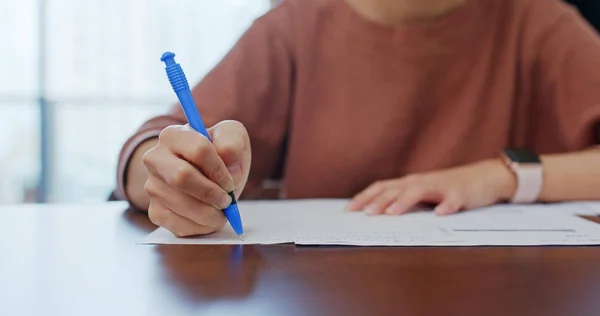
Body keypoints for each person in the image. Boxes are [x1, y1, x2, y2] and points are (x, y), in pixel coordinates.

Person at [115, 0, 600, 237]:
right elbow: (152, 147)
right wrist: (168, 174)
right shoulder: (297, 25)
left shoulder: (538, 22)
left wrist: (502, 175)